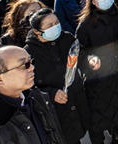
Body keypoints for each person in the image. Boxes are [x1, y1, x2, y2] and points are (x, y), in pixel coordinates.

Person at [75, 0, 118, 144]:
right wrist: (90, 59)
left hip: (117, 71)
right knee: (97, 114)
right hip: (97, 76)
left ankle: (117, 135)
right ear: (93, 1)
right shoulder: (86, 24)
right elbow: (79, 50)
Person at [24, 9, 89, 144]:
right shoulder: (28, 53)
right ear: (37, 31)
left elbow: (81, 56)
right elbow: (27, 88)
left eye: (57, 22)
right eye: (50, 25)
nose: (55, 27)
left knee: (76, 136)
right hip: (53, 111)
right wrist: (51, 93)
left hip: (76, 100)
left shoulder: (67, 38)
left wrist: (91, 61)